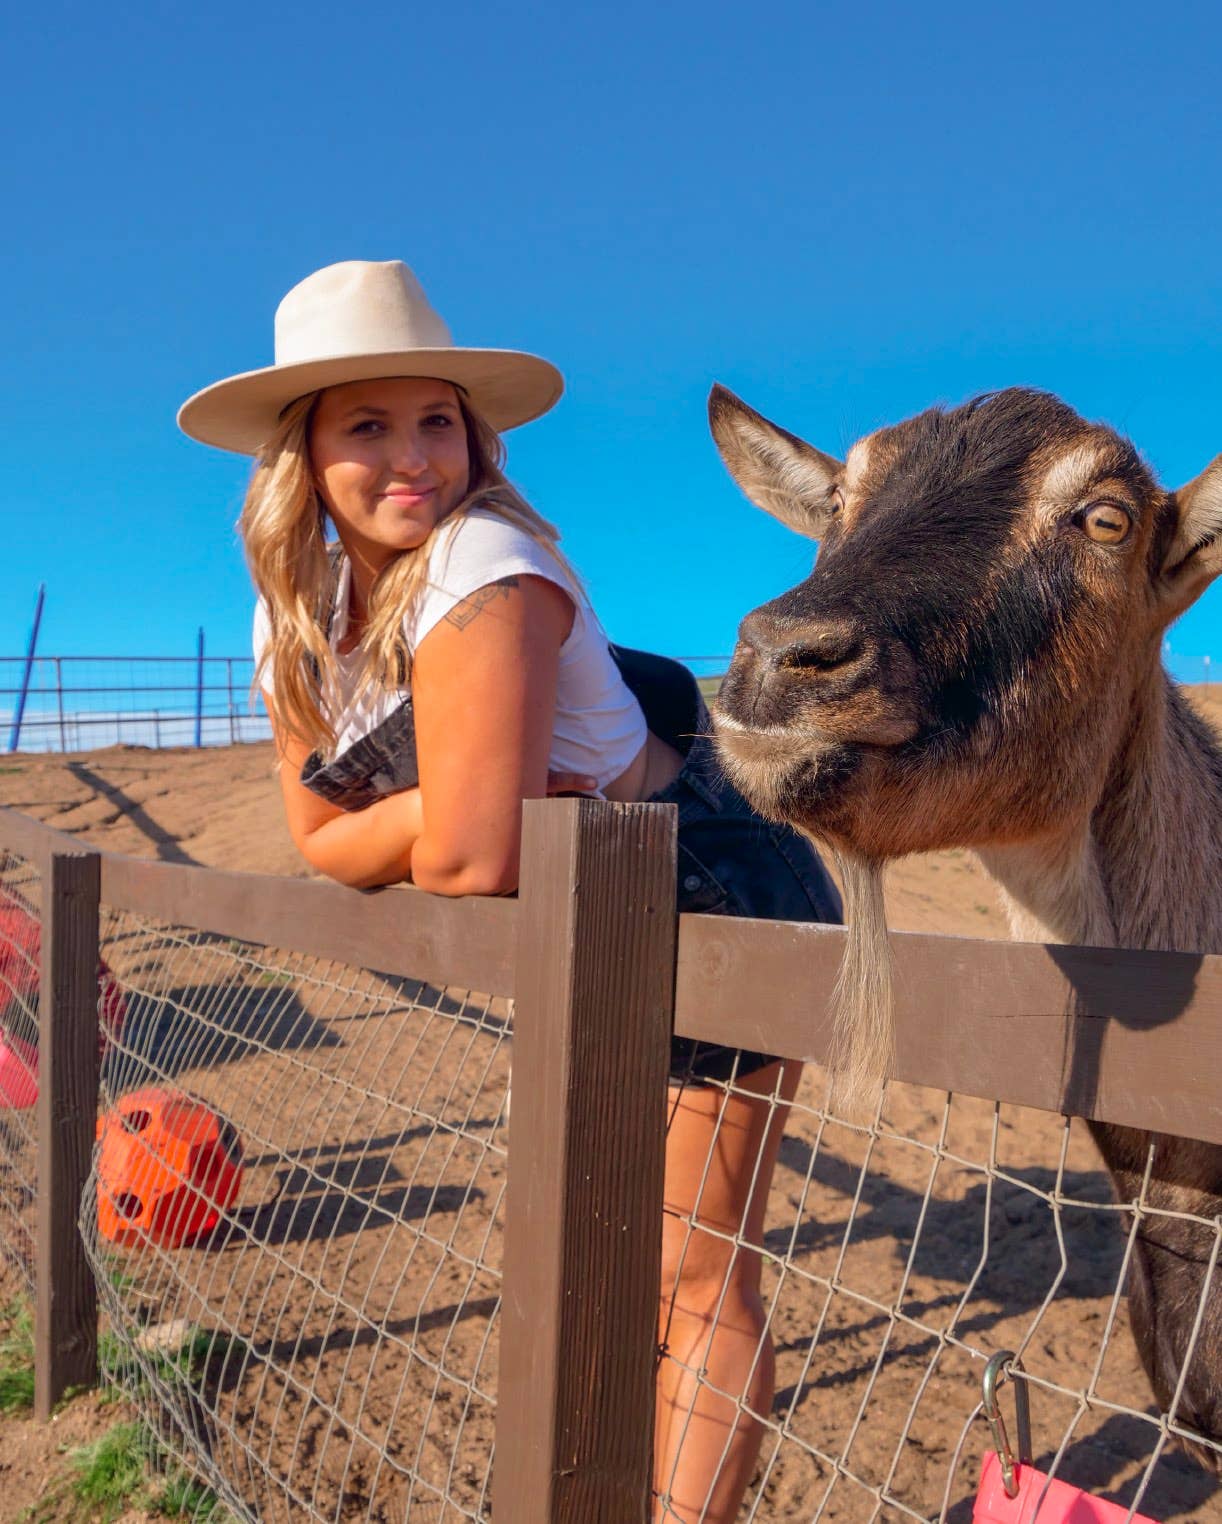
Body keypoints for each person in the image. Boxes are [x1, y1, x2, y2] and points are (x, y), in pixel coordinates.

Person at [178, 259, 842, 1522]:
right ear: (301, 456)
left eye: (436, 420)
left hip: (700, 874)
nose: (412, 457)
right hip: (585, 896)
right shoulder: (295, 617)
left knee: (693, 1274)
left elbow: (469, 865)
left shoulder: (482, 559)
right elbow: (321, 841)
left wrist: (442, 817)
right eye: (365, 425)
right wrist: (460, 804)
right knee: (604, 1255)